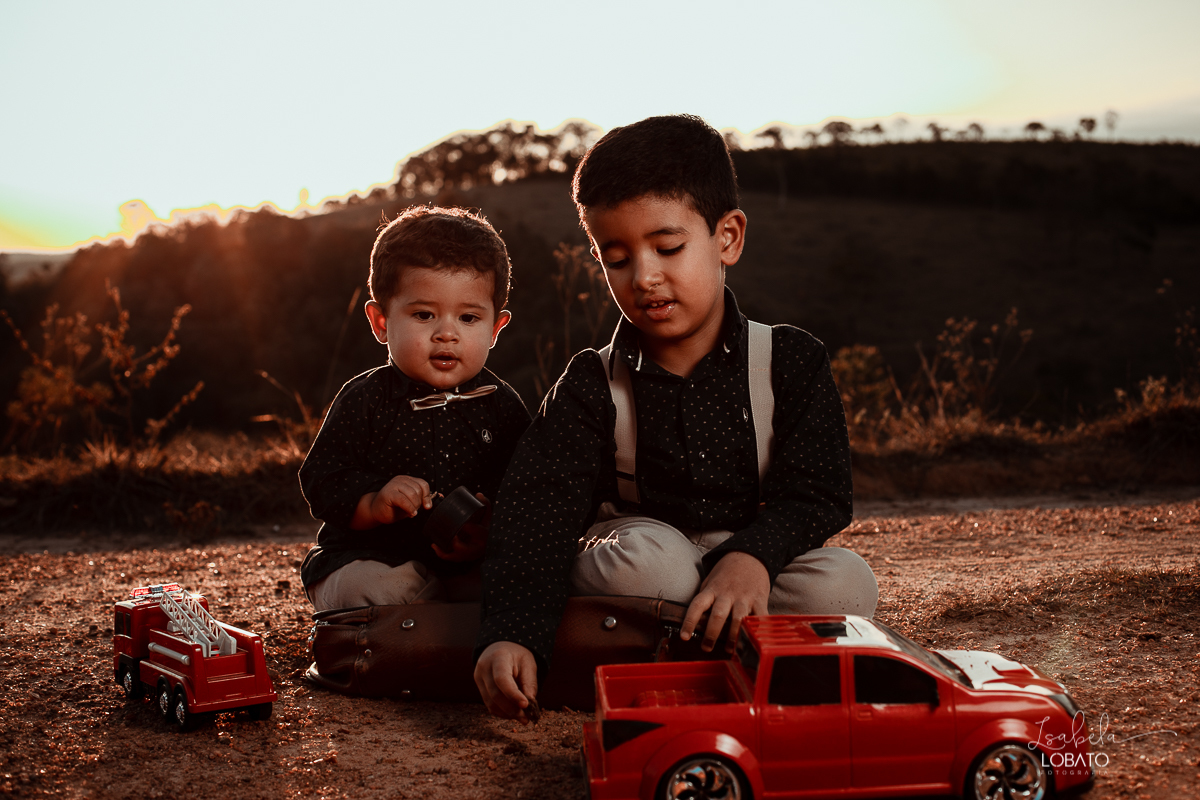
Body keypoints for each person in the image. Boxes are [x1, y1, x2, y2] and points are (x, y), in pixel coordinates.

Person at [473, 114, 878, 721]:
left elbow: (819, 493)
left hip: (748, 557)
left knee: (846, 584)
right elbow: (539, 511)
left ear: (728, 237)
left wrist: (753, 558)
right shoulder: (592, 380)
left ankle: (710, 640)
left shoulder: (791, 360)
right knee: (652, 565)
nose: (645, 277)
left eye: (667, 248)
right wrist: (513, 631)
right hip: (642, 564)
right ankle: (716, 649)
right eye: (616, 258)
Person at [299, 206, 530, 610]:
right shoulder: (365, 399)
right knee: (370, 587)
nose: (446, 333)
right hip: (370, 559)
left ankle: (442, 624)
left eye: (469, 317)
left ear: (496, 328)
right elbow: (322, 479)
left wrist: (490, 530)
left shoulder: (503, 406)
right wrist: (372, 502)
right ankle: (421, 625)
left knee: (521, 583)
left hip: (465, 566)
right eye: (424, 314)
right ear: (381, 321)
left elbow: (525, 485)